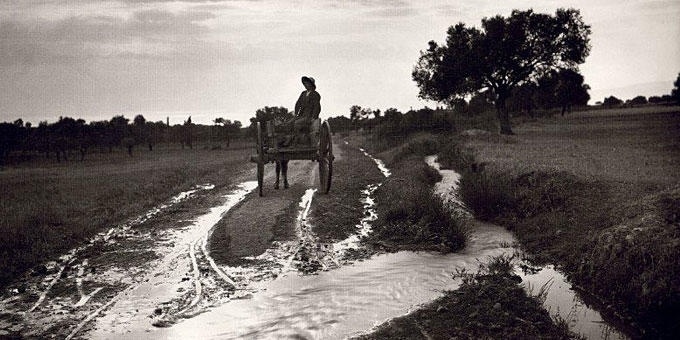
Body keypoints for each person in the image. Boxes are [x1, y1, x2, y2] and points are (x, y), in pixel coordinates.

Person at [276, 76, 321, 146]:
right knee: (289, 123)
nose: (306, 85)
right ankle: (288, 139)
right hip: (301, 115)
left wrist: (314, 117)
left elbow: (317, 107)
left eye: (307, 84)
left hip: (309, 116)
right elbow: (298, 103)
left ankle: (295, 142)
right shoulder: (303, 94)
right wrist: (296, 114)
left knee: (297, 123)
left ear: (311, 85)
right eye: (305, 84)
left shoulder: (315, 95)